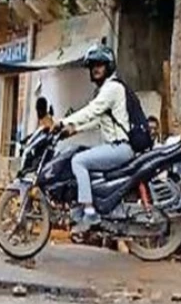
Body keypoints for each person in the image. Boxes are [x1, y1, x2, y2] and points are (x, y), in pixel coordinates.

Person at [56, 44, 133, 234]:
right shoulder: (106, 90)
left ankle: (90, 213)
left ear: (109, 66)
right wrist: (74, 130)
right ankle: (82, 208)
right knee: (82, 156)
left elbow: (92, 111)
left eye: (100, 65)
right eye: (93, 66)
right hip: (115, 148)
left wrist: (63, 121)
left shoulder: (112, 88)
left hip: (120, 148)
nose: (96, 69)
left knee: (78, 160)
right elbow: (98, 121)